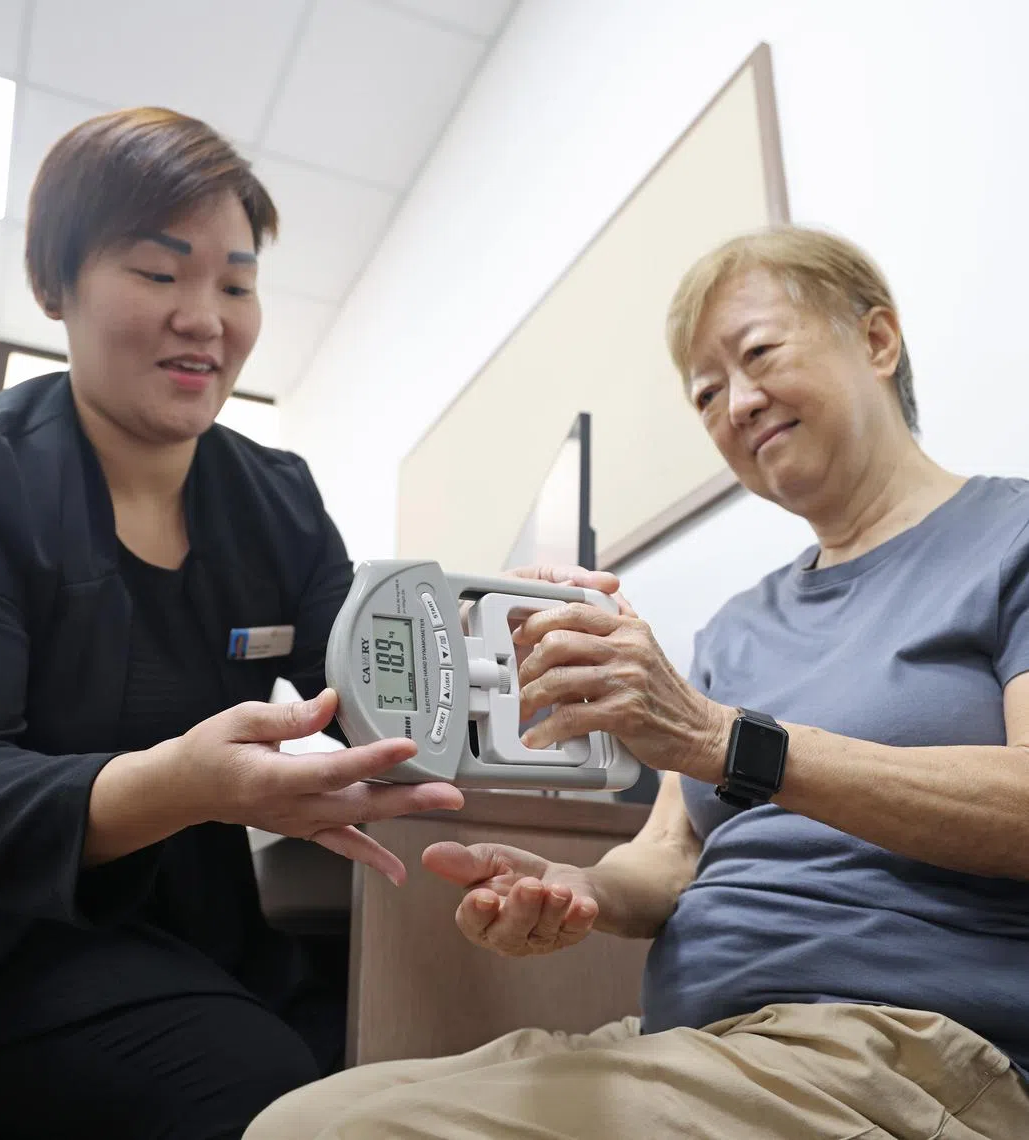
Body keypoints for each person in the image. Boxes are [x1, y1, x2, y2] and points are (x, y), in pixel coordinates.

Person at [245, 226, 1029, 1139]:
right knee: (298, 1117)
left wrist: (725, 739)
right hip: (706, 1041)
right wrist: (578, 887)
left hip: (904, 1048)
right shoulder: (739, 624)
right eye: (706, 393)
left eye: (760, 354)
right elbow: (672, 858)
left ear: (878, 341)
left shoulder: (1008, 539)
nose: (737, 401)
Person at [0, 107, 474, 1139]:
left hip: (192, 928)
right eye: (160, 275)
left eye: (237, 285)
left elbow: (370, 691)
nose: (206, 316)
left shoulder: (278, 499)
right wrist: (180, 783)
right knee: (279, 1103)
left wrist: (487, 639)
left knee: (396, 1055)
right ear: (55, 285)